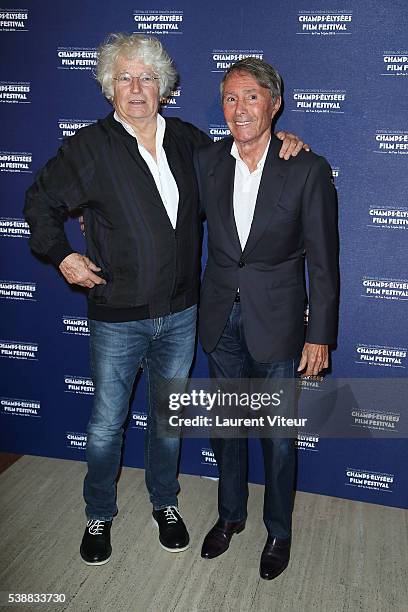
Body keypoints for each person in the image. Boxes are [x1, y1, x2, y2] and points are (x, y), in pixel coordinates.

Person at [24, 34, 306, 566]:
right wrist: (62, 255)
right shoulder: (89, 146)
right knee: (107, 423)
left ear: (164, 88)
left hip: (181, 316)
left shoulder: (188, 142)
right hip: (117, 318)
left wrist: (283, 138)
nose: (137, 88)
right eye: (125, 78)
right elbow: (39, 201)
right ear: (109, 88)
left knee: (166, 422)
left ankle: (164, 503)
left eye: (148, 78)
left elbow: (246, 151)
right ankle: (98, 513)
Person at [195, 57, 339, 580]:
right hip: (219, 322)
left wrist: (319, 334)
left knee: (278, 439)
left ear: (274, 103)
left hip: (278, 324)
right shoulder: (206, 162)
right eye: (230, 98)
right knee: (227, 429)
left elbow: (324, 260)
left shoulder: (306, 167)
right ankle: (230, 516)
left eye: (251, 96)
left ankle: (278, 529)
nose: (239, 108)